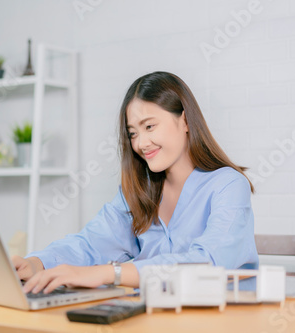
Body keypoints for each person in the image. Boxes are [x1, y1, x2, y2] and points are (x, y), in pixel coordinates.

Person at [13, 71, 259, 294]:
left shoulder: (228, 185)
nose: (141, 143)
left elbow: (209, 263)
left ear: (184, 121)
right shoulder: (140, 191)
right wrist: (37, 264)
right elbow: (91, 243)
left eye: (149, 126)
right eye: (133, 133)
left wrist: (111, 273)